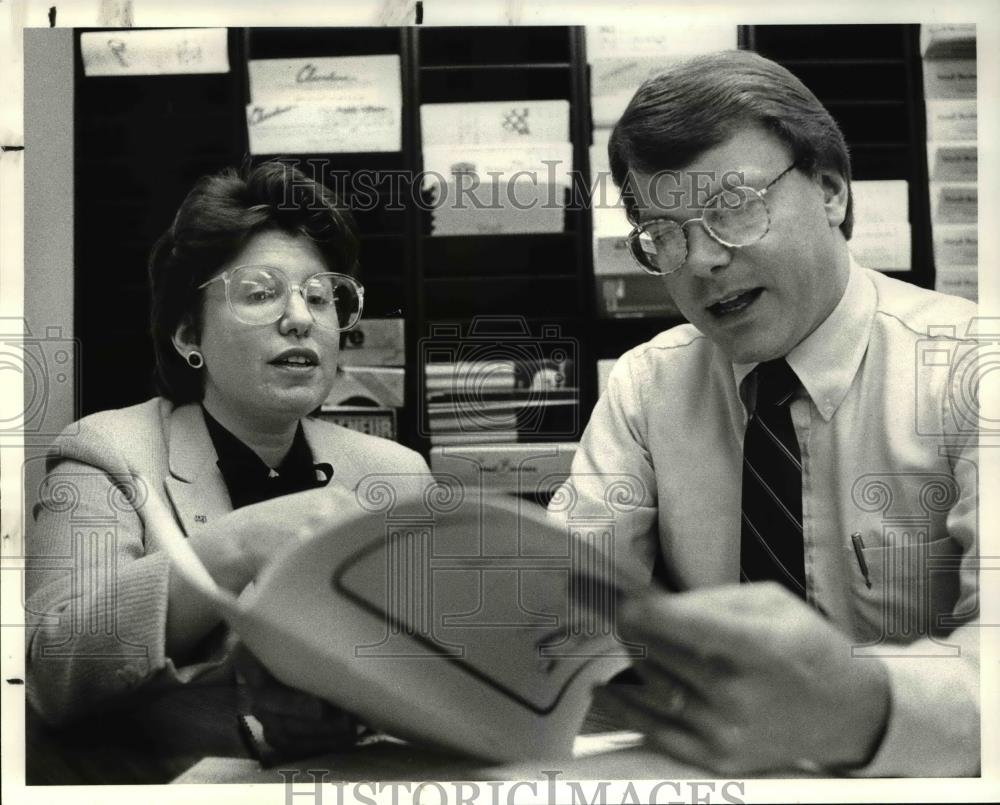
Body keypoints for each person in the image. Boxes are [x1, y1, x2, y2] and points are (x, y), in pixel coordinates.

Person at [552, 50, 979, 776]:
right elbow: (562, 598)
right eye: (666, 233)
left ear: (833, 192)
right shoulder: (647, 385)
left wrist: (863, 704)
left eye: (732, 209)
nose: (702, 261)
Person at [25, 162, 431, 763]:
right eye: (261, 293)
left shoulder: (395, 476)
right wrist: (234, 546)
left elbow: (435, 675)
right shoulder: (108, 454)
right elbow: (50, 672)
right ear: (189, 333)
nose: (301, 318)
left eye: (320, 297)